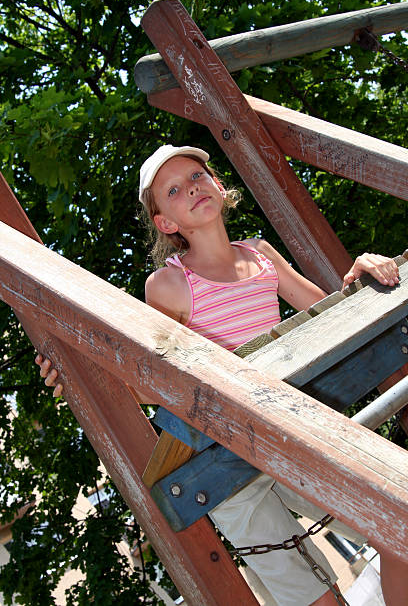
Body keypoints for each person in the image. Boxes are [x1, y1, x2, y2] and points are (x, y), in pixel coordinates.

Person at [37, 144, 405, 606]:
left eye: (196, 176)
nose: (191, 187)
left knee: (398, 525)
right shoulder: (169, 285)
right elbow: (153, 379)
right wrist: (79, 381)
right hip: (220, 453)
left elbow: (326, 317)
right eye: (174, 190)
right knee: (314, 597)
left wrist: (357, 274)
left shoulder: (261, 255)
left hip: (291, 433)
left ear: (218, 186)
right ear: (166, 223)